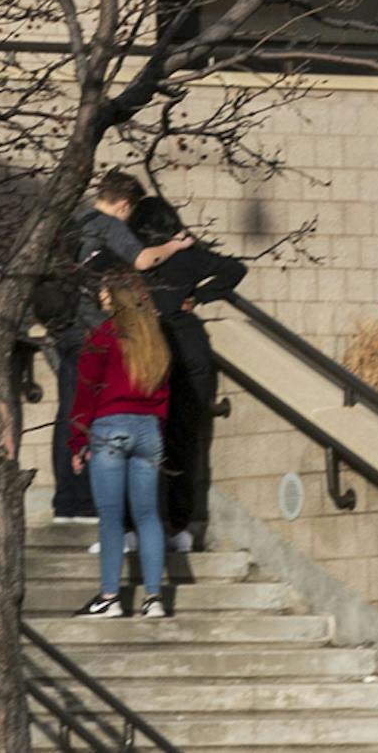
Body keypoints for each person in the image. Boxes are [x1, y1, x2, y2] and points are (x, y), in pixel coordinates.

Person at [43, 172, 193, 520]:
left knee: (68, 411)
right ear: (124, 204)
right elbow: (142, 260)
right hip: (90, 331)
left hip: (63, 327)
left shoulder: (72, 221)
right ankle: (84, 500)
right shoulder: (107, 224)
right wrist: (175, 246)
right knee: (88, 412)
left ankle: (66, 501)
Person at [130, 195, 247, 552]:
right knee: (184, 439)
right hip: (190, 344)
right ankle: (180, 527)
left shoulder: (136, 257)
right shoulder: (188, 253)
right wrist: (199, 295)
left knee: (142, 439)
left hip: (149, 345)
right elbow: (235, 268)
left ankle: (135, 527)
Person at [70, 269, 171, 619]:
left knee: (111, 517)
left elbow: (85, 390)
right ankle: (153, 599)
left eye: (104, 292)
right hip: (149, 430)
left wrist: (77, 440)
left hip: (109, 427)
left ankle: (110, 597)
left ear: (116, 296)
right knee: (148, 515)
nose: (101, 297)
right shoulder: (154, 340)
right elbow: (163, 393)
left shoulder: (103, 336)